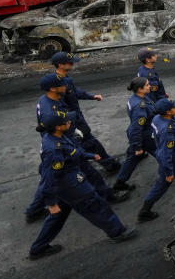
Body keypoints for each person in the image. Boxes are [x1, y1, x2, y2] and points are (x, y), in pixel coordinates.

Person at [29, 110, 137, 259]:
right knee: (96, 206)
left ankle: (38, 248)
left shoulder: (57, 136)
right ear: (58, 127)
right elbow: (49, 177)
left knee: (57, 217)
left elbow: (73, 151)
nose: (70, 122)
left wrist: (91, 155)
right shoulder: (53, 149)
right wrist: (50, 203)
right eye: (66, 121)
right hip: (71, 186)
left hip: (64, 186)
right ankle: (118, 232)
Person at [25, 74, 127, 224]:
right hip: (63, 145)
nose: (66, 86)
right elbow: (54, 126)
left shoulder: (48, 99)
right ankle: (107, 195)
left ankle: (33, 210)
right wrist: (70, 138)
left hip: (63, 141)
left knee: (49, 176)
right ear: (53, 88)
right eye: (62, 85)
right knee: (86, 172)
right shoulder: (50, 109)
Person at [50, 52, 119, 173]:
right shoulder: (57, 83)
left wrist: (92, 96)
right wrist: (71, 123)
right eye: (69, 62)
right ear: (60, 65)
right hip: (72, 120)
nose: (72, 64)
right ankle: (108, 165)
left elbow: (75, 92)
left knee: (85, 143)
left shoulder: (66, 79)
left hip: (76, 117)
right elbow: (59, 106)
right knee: (89, 143)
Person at [113, 77, 157, 191]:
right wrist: (137, 146)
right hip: (144, 136)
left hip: (139, 135)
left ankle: (120, 182)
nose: (149, 86)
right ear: (140, 89)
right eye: (147, 85)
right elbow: (136, 129)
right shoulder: (139, 106)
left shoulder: (137, 98)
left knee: (132, 158)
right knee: (161, 153)